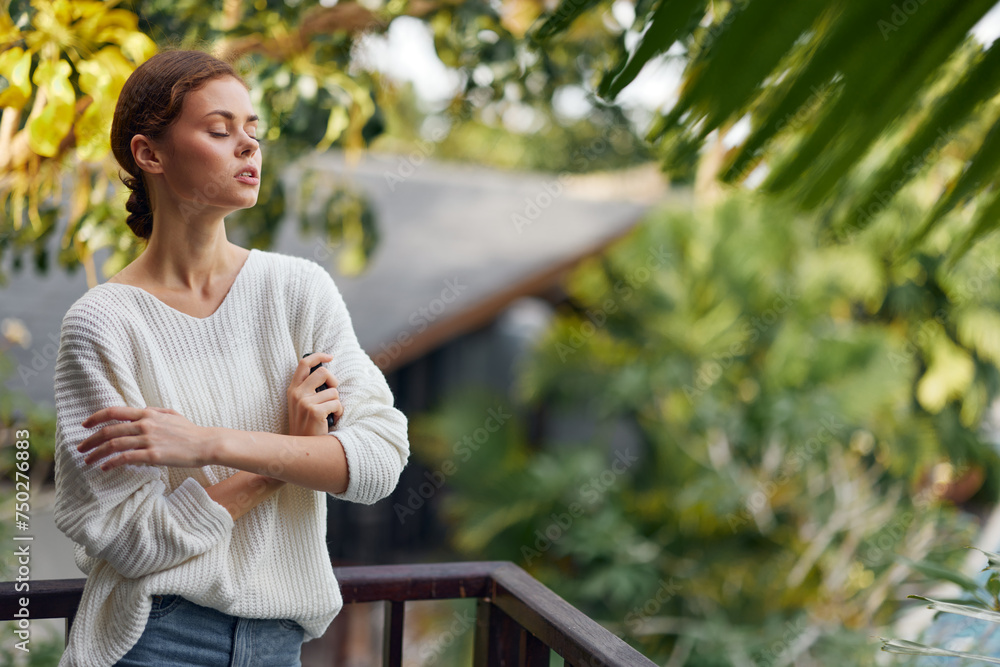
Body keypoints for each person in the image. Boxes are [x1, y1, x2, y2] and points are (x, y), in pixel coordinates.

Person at [51, 49, 410, 667]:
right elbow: (132, 542)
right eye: (220, 131)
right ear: (150, 154)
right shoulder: (103, 323)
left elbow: (379, 463)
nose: (248, 146)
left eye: (253, 131)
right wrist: (287, 459)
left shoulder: (298, 290)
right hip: (155, 637)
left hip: (279, 642)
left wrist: (209, 444)